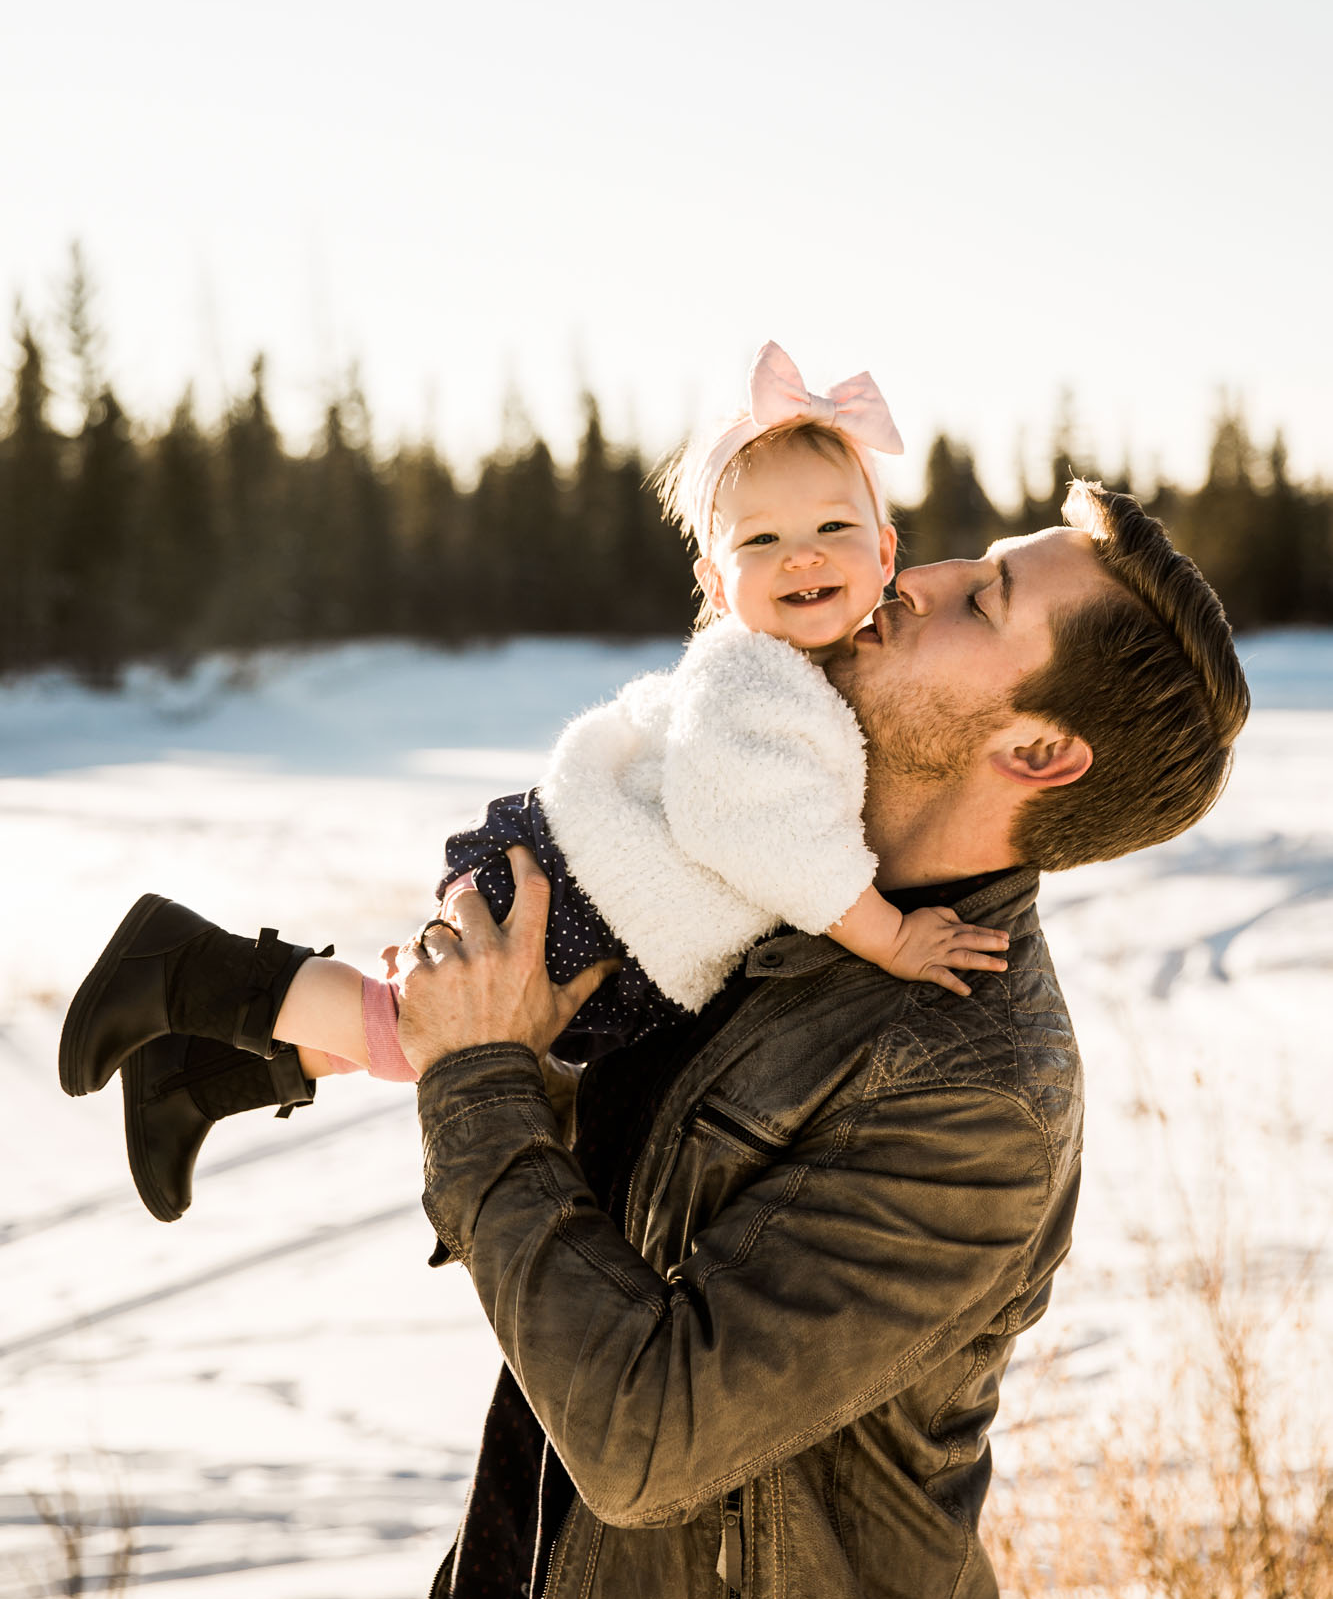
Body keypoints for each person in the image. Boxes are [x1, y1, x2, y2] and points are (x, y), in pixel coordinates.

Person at [385, 476, 1248, 1599]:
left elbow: (648, 1431)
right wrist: (523, 1053)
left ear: (1035, 752)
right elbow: (637, 1230)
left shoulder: (973, 1093)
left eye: (985, 597)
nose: (914, 575)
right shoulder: (776, 901)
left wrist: (483, 1094)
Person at [57, 343, 1006, 1222]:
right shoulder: (752, 677)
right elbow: (756, 829)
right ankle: (185, 966)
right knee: (427, 1031)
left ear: (886, 555)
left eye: (833, 526)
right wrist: (885, 937)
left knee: (415, 1033)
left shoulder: (807, 674)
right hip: (589, 893)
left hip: (600, 887)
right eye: (761, 542)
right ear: (717, 585)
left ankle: (197, 1072)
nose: (802, 554)